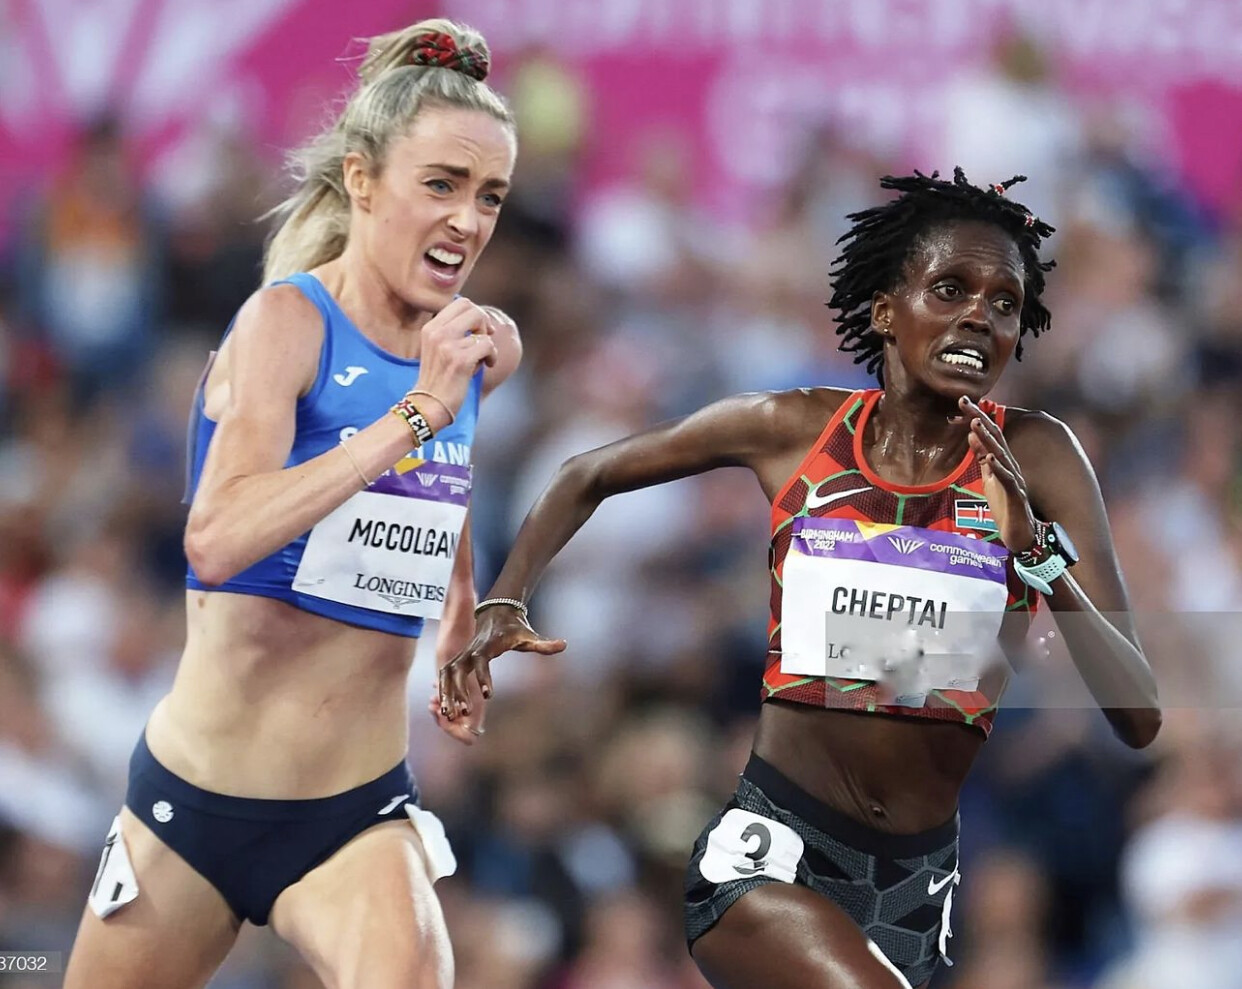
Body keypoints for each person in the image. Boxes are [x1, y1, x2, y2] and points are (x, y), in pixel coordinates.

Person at [438, 169, 1163, 989]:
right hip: (773, 848)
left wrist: (1035, 552)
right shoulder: (794, 430)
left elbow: (1138, 713)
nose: (979, 316)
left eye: (1004, 303)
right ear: (884, 309)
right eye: (951, 288)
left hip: (914, 885)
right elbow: (586, 472)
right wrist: (506, 597)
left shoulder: (1040, 456)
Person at [64, 19, 520, 989]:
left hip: (353, 814)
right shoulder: (286, 323)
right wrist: (415, 412)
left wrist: (458, 614)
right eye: (442, 184)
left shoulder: (476, 347)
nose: (468, 220)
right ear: (363, 180)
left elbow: (448, 475)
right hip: (189, 809)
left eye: (489, 195)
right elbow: (217, 537)